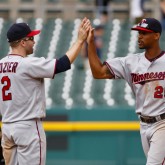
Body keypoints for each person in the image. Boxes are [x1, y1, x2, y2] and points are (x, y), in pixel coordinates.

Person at [0, 17, 90, 165]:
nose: (34, 41)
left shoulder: (1, 64)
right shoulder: (27, 63)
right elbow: (62, 64)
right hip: (27, 127)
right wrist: (80, 41)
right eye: (31, 38)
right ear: (23, 42)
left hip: (7, 128)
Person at [87, 18, 165, 165]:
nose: (139, 36)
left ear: (156, 35)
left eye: (144, 33)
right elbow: (98, 73)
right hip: (144, 124)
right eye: (138, 32)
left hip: (163, 123)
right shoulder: (130, 62)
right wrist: (90, 43)